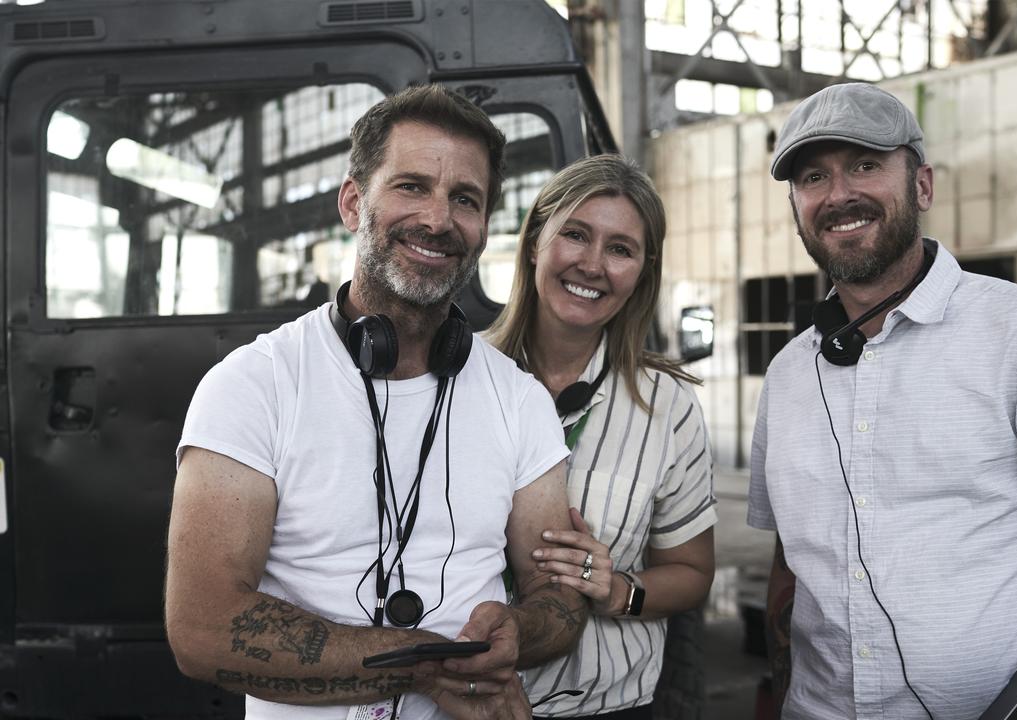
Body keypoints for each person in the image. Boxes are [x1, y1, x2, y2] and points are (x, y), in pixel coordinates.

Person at [165, 84, 589, 720]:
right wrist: (421, 663)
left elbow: (558, 596)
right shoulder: (252, 386)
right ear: (352, 201)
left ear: (482, 229)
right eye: (411, 186)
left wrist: (519, 633)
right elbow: (200, 630)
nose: (439, 219)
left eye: (465, 199)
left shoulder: (519, 401)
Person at [748, 82, 1017, 719]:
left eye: (865, 165)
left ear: (924, 187)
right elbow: (789, 565)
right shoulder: (789, 374)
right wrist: (775, 695)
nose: (839, 193)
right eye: (812, 176)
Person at [485, 154, 717, 719]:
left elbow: (692, 574)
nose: (592, 264)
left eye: (620, 248)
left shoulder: (668, 406)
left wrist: (619, 590)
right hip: (463, 703)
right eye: (575, 235)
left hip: (608, 708)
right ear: (536, 240)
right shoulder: (456, 379)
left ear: (642, 270)